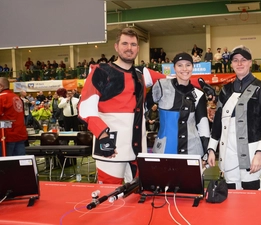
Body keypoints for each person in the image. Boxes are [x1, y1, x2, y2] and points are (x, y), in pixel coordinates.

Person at [78, 28, 215, 185]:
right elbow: (85, 108)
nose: (129, 48)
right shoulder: (100, 71)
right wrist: (103, 135)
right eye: (125, 43)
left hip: (137, 149)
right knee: (109, 194)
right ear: (116, 46)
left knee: (137, 195)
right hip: (110, 146)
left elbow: (175, 79)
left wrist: (202, 83)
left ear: (138, 48)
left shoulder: (142, 73)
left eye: (133, 44)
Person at [207, 45, 261, 190]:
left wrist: (260, 153)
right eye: (235, 60)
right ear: (231, 64)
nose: (239, 63)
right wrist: (212, 148)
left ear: (250, 62)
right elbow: (218, 123)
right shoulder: (225, 90)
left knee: (251, 196)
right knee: (231, 195)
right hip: (228, 151)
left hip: (252, 151)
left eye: (243, 60)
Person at [150, 52, 210, 156]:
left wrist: (206, 153)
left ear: (192, 67)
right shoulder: (161, 86)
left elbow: (203, 125)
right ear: (174, 67)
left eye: (188, 65)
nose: (184, 69)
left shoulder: (199, 94)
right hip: (164, 150)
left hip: (192, 151)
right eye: (180, 65)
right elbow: (145, 106)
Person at [0, 77, 27, 156]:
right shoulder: (16, 97)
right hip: (19, 134)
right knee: (19, 164)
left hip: (7, 136)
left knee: (6, 166)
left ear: (1, 86)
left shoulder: (1, 98)